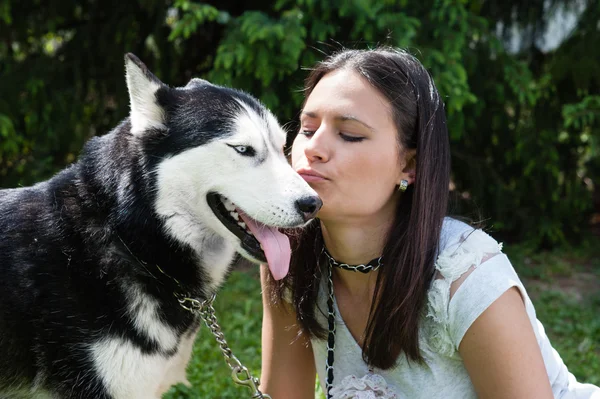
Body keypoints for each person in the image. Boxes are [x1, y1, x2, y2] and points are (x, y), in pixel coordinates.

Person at [258, 47, 600, 399]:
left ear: (409, 165)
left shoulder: (465, 277)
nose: (313, 148)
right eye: (307, 127)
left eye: (350, 135)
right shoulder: (288, 257)